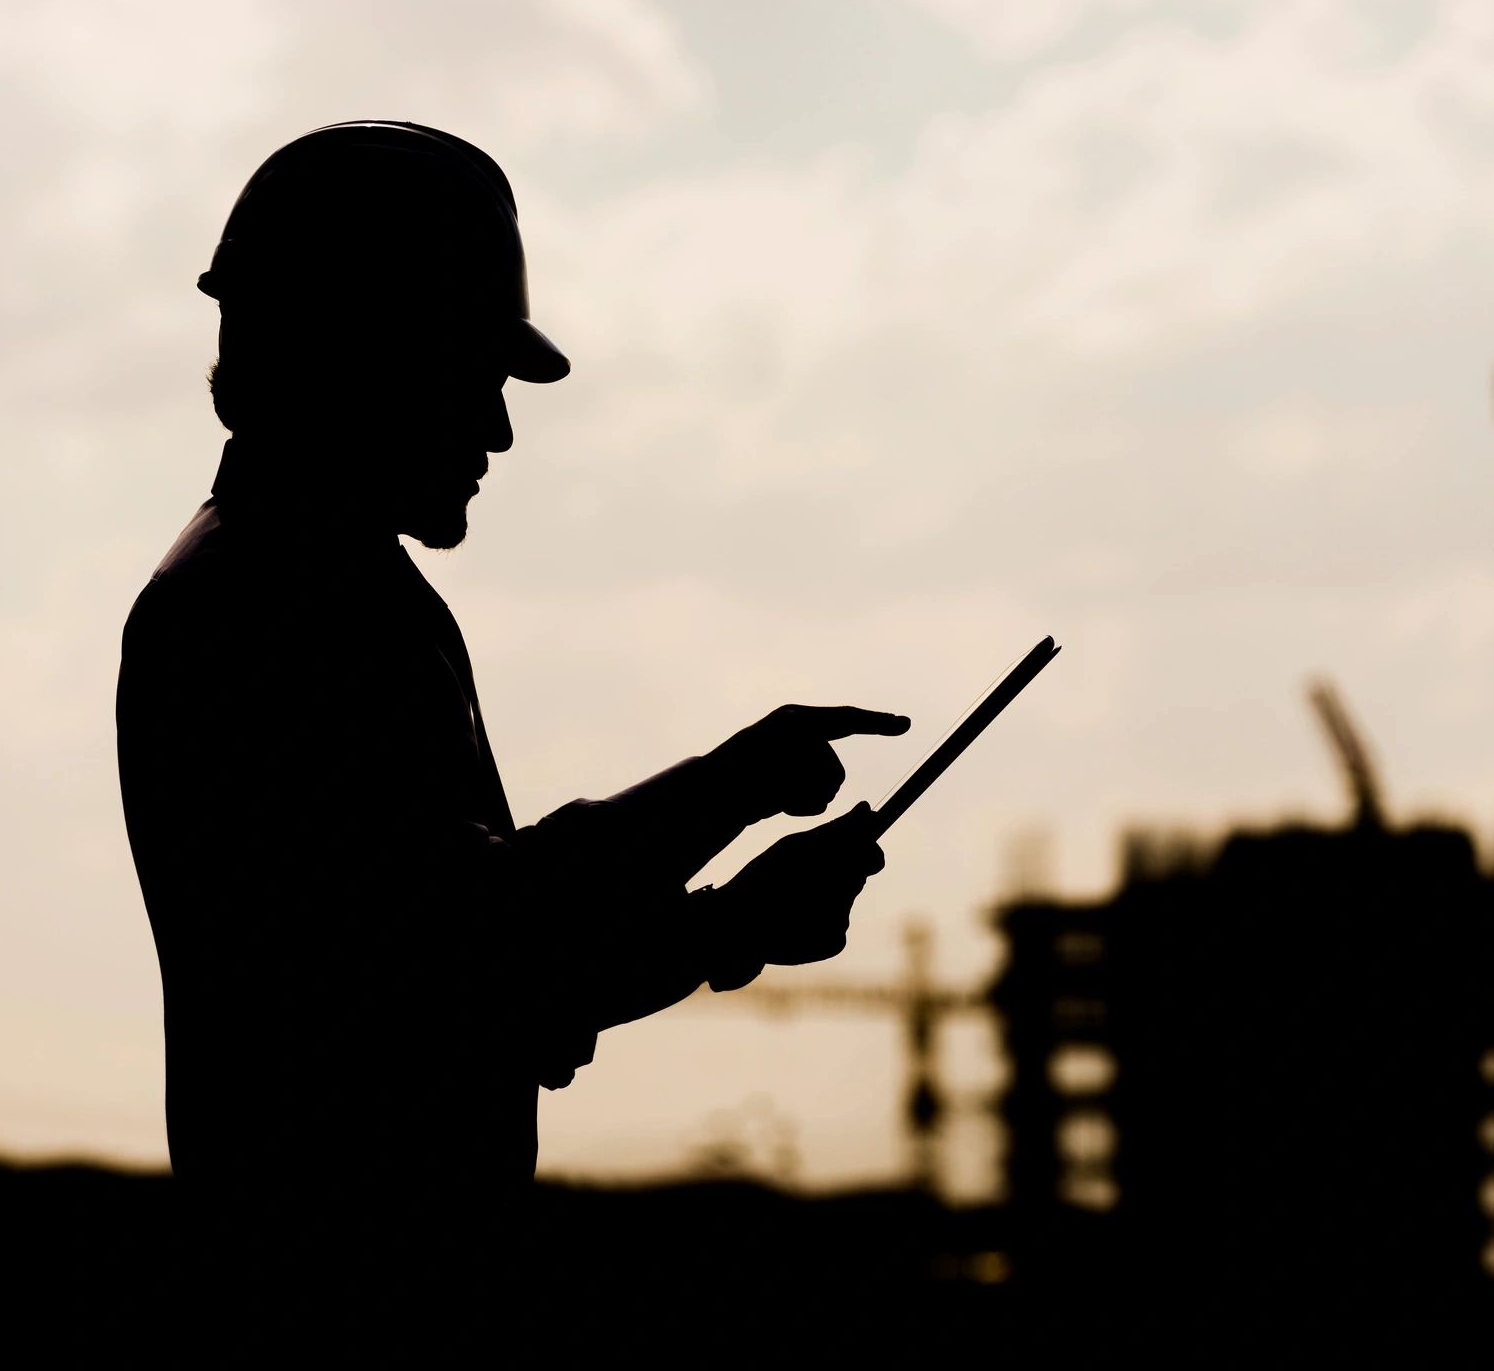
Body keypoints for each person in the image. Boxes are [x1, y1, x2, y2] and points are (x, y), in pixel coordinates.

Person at [113, 121, 906, 1312]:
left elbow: (465, 933)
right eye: (471, 378)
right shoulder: (283, 610)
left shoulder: (299, 588)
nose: (496, 431)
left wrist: (729, 795)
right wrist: (730, 907)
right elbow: (462, 977)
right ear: (366, 353)